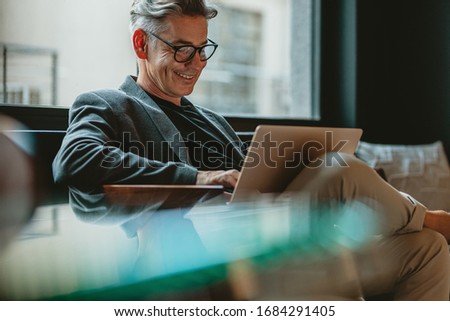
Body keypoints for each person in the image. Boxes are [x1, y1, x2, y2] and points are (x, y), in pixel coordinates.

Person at [52, 0, 450, 300]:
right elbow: (76, 160)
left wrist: (288, 169)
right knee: (342, 169)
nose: (196, 63)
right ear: (141, 43)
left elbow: (254, 178)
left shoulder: (212, 120)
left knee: (426, 250)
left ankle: (421, 225)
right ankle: (427, 216)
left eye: (202, 48)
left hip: (271, 234)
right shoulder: (107, 103)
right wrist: (199, 176)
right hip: (205, 253)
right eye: (181, 49)